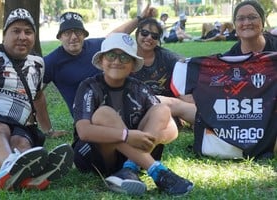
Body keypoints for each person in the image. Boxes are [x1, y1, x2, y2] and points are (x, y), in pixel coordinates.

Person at [72, 33, 194, 196]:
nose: (117, 61)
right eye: (111, 55)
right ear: (101, 61)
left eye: (124, 57)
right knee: (104, 114)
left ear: (132, 65)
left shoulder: (139, 88)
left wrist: (148, 138)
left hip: (128, 155)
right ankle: (158, 172)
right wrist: (127, 135)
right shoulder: (89, 86)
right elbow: (84, 132)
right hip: (95, 156)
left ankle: (130, 167)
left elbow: (172, 129)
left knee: (162, 109)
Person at [0, 8, 74, 191]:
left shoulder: (37, 63)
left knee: (22, 142)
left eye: (28, 32)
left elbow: (37, 96)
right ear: (4, 35)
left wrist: (48, 130)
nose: (23, 36)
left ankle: (29, 177)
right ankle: (9, 166)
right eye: (16, 31)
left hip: (19, 124)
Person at [168, 0, 277, 159]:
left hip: (269, 114)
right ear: (235, 25)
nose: (246, 22)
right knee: (169, 103)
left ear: (262, 21)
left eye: (252, 17)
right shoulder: (228, 59)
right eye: (240, 19)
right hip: (241, 114)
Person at [38, 4, 158, 133]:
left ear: (84, 35)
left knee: (167, 105)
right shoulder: (51, 62)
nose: (73, 37)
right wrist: (48, 130)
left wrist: (140, 18)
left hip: (122, 105)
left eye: (78, 32)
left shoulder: (95, 46)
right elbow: (35, 94)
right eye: (67, 33)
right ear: (60, 37)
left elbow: (118, 36)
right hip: (89, 116)